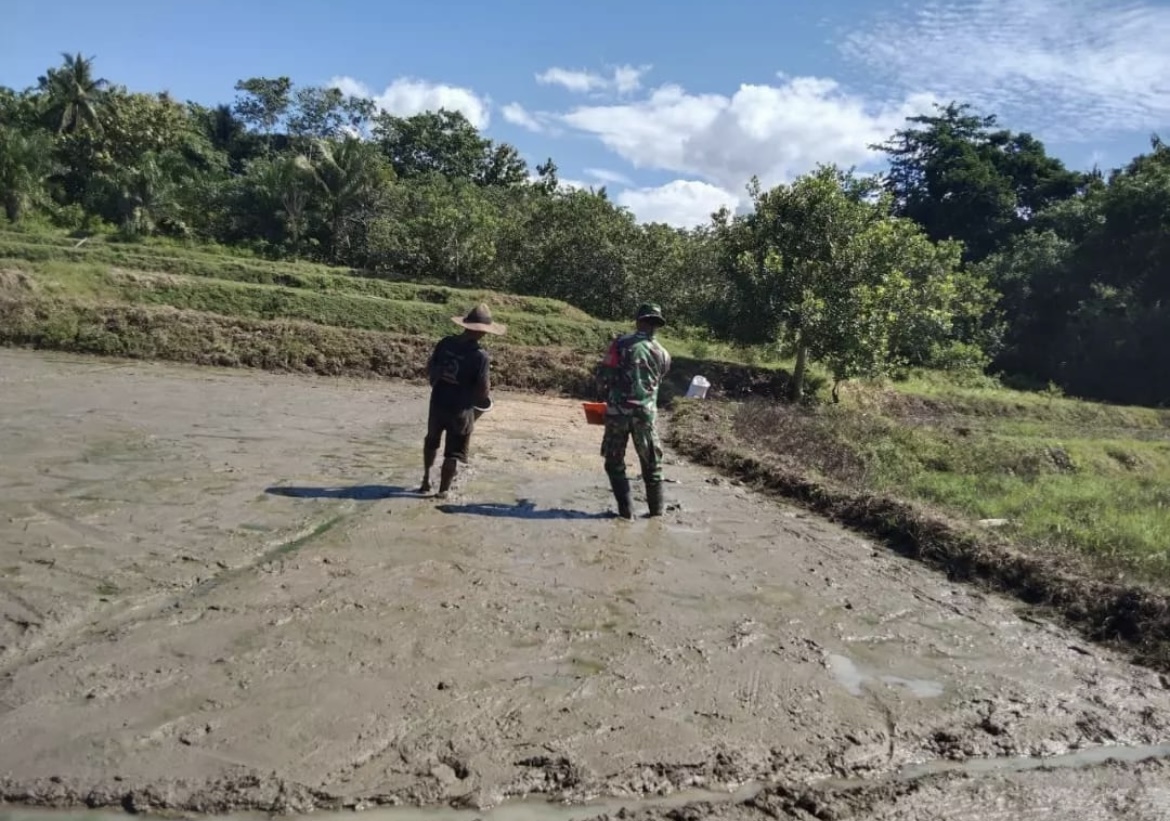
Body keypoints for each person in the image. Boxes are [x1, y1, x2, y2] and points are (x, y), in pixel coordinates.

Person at [419, 303, 505, 497]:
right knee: (453, 453)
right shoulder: (480, 356)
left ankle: (425, 481)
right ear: (483, 332)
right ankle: (442, 492)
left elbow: (431, 369)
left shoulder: (446, 343)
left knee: (431, 440)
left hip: (438, 402)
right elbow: (482, 391)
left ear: (465, 325)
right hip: (461, 409)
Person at [596, 302, 672, 519]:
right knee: (651, 464)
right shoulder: (664, 354)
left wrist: (603, 394)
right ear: (657, 325)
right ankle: (656, 514)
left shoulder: (620, 344)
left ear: (638, 320)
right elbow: (658, 380)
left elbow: (604, 376)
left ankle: (626, 512)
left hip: (618, 412)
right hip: (646, 414)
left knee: (614, 460)